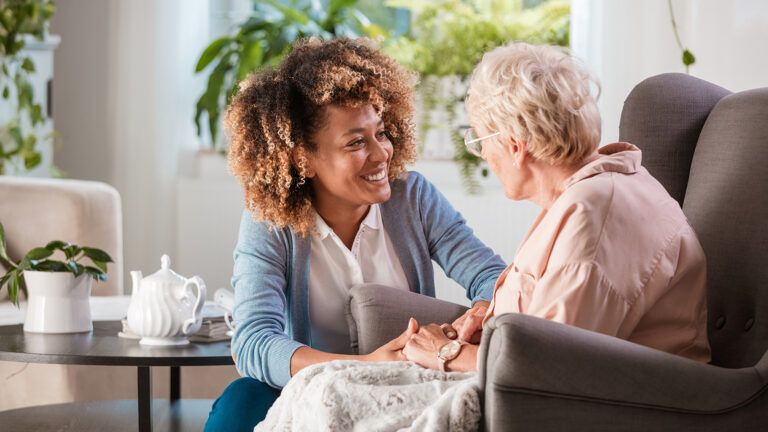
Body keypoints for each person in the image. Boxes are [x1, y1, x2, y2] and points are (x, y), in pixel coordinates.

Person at [203, 38, 507, 432]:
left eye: (380, 133)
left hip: (404, 384)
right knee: (241, 401)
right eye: (356, 142)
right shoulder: (270, 222)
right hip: (309, 387)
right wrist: (364, 366)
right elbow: (254, 342)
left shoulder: (412, 198)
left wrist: (479, 313)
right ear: (302, 159)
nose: (382, 154)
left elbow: (491, 277)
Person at [402, 42, 711, 372]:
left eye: (479, 141)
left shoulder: (593, 215)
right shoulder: (598, 189)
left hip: (626, 406)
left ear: (514, 146)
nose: (485, 156)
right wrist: (490, 317)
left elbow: (548, 367)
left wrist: (447, 353)